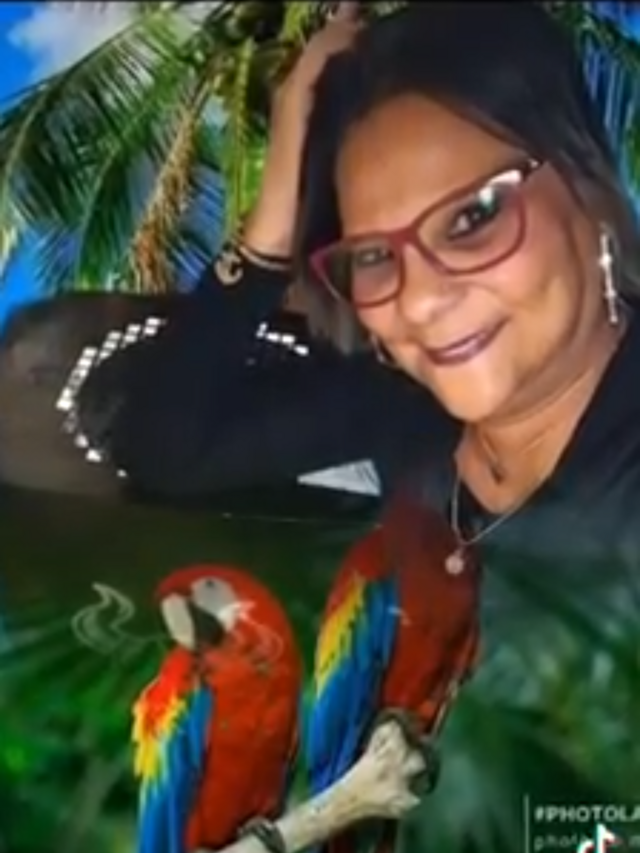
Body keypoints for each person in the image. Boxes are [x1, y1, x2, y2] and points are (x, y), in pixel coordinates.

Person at [80, 1, 640, 624]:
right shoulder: (409, 413)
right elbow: (162, 446)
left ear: (589, 192)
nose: (418, 299)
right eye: (373, 255)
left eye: (474, 217)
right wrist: (271, 229)